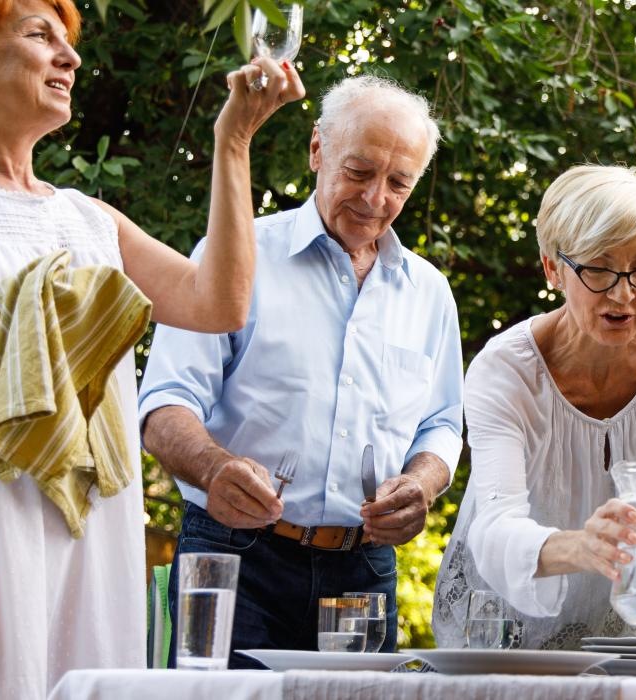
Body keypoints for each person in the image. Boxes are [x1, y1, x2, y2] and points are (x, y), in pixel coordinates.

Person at [0, 0, 299, 696]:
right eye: (41, 36)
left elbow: (218, 303)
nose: (70, 58)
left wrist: (234, 141)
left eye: (69, 41)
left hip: (79, 552)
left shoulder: (87, 219)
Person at [139, 75, 461, 666]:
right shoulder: (236, 256)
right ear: (317, 150)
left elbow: (441, 426)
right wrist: (215, 468)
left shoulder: (430, 293)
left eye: (398, 183)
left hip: (361, 571)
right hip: (233, 553)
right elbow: (163, 405)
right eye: (359, 172)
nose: (374, 199)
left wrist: (421, 484)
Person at [431, 165, 636, 650]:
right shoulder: (505, 370)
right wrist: (580, 547)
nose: (624, 293)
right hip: (492, 632)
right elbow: (495, 525)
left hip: (615, 633)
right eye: (598, 267)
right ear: (553, 268)